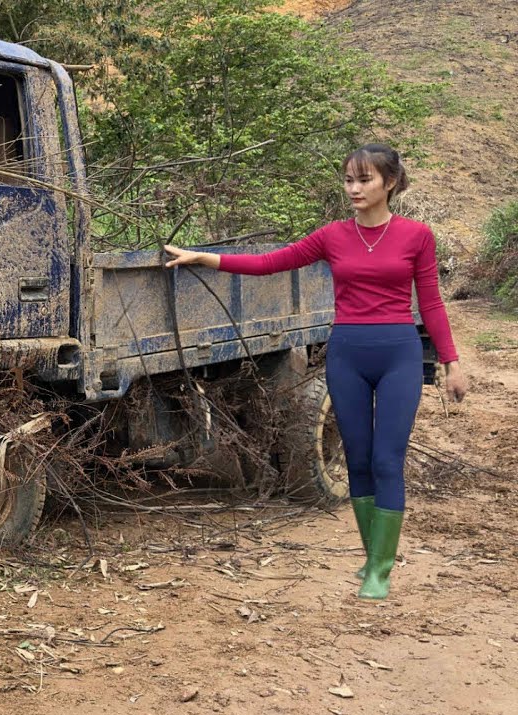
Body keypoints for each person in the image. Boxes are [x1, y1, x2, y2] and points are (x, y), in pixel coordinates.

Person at [164, 143, 468, 601]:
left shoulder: (417, 236)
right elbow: (272, 263)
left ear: (389, 183)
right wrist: (206, 258)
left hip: (399, 354)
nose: (354, 188)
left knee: (387, 459)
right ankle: (371, 559)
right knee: (359, 458)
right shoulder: (332, 235)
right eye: (349, 179)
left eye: (364, 180)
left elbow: (431, 302)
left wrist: (451, 362)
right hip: (346, 353)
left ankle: (381, 570)